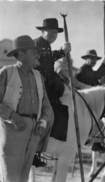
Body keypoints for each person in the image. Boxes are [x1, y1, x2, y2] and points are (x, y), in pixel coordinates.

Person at [0, 35, 54, 182]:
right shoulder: (6, 72)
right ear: (21, 54)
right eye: (33, 52)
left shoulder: (38, 76)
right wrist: (13, 117)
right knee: (11, 178)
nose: (37, 55)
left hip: (34, 133)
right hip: (13, 131)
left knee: (24, 178)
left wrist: (43, 122)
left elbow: (47, 107)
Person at [34, 18, 71, 167]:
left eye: (56, 33)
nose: (54, 35)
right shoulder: (36, 44)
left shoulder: (47, 46)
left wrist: (62, 51)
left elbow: (49, 59)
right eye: (51, 32)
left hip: (48, 86)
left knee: (59, 110)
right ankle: (35, 152)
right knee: (46, 115)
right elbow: (38, 65)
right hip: (39, 86)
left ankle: (50, 146)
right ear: (43, 31)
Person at [75, 49, 105, 153]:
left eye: (95, 59)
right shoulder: (84, 69)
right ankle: (95, 141)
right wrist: (103, 63)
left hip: (87, 99)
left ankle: (96, 141)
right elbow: (96, 76)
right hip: (84, 100)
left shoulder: (89, 70)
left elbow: (96, 78)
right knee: (98, 117)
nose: (94, 61)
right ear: (86, 59)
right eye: (92, 58)